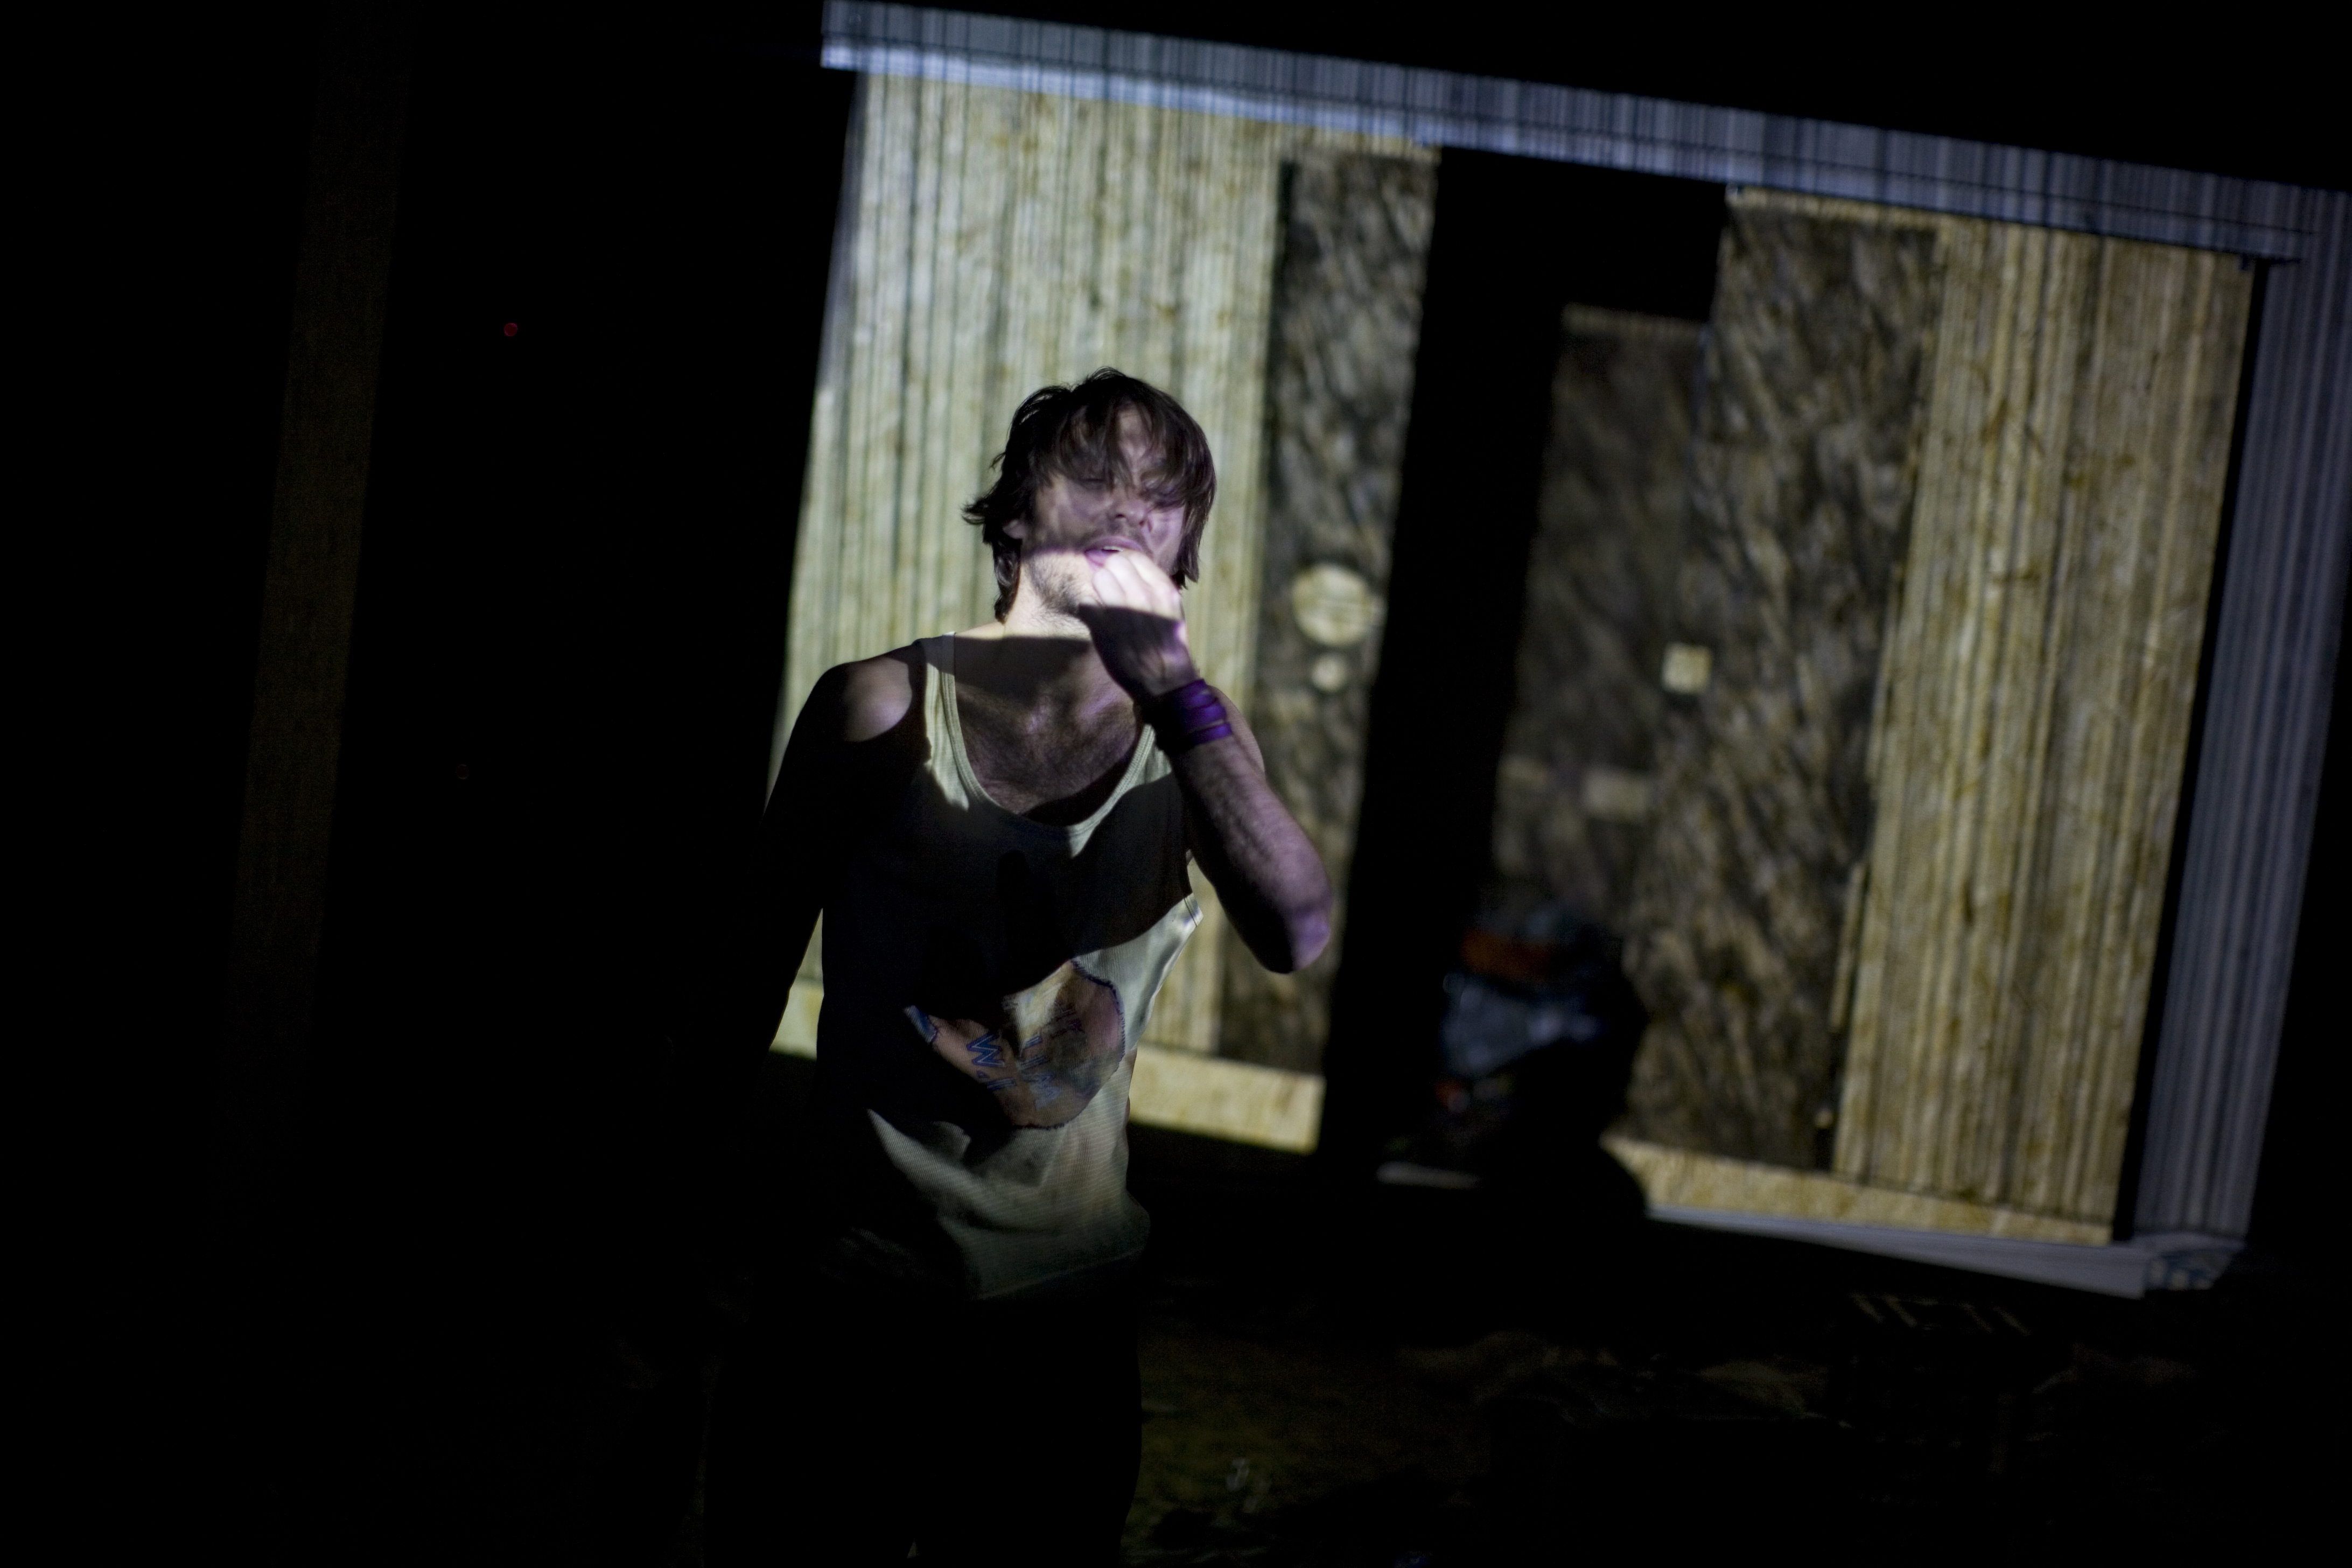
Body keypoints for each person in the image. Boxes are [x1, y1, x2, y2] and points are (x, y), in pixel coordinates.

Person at [705, 368, 1333, 1564]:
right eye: (1093, 473)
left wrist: (1174, 689)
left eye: (1161, 493)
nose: (1126, 507)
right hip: (851, 1297)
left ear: (1185, 555)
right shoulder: (880, 706)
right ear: (1013, 519)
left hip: (1061, 1319)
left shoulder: (1192, 743)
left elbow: (1297, 930)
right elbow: (740, 973)